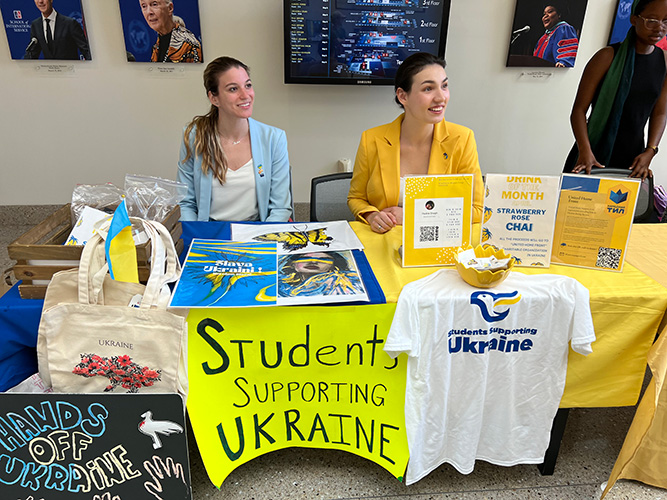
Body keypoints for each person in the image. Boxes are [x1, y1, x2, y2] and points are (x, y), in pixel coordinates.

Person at [347, 52, 484, 234]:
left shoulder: (462, 139)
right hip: (384, 239)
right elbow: (356, 197)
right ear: (403, 96)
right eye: (428, 89)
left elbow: (478, 210)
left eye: (444, 86)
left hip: (437, 244)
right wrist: (372, 215)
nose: (441, 97)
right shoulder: (372, 139)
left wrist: (412, 215)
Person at [177, 56, 293, 222]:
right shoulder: (195, 136)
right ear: (214, 98)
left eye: (248, 85)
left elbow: (280, 208)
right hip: (209, 233)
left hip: (258, 233)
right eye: (233, 89)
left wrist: (262, 241)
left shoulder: (274, 139)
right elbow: (185, 203)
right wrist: (197, 238)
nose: (245, 95)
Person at [564, 0, 667, 181]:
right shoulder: (606, 57)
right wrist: (585, 151)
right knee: (581, 208)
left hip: (634, 160)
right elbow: (578, 111)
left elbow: (660, 112)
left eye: (666, 21)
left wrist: (650, 151)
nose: (659, 27)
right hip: (591, 156)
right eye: (652, 20)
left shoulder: (664, 61)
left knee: (621, 208)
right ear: (634, 19)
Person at [24, 0, 90, 60]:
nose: (40, 1)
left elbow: (86, 51)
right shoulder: (36, 25)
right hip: (48, 72)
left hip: (70, 71)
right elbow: (32, 54)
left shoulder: (70, 23)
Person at [278, 252, 364, 297]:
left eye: (323, 259)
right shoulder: (282, 287)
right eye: (306, 258)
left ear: (333, 265)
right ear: (293, 264)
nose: (313, 262)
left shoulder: (341, 284)